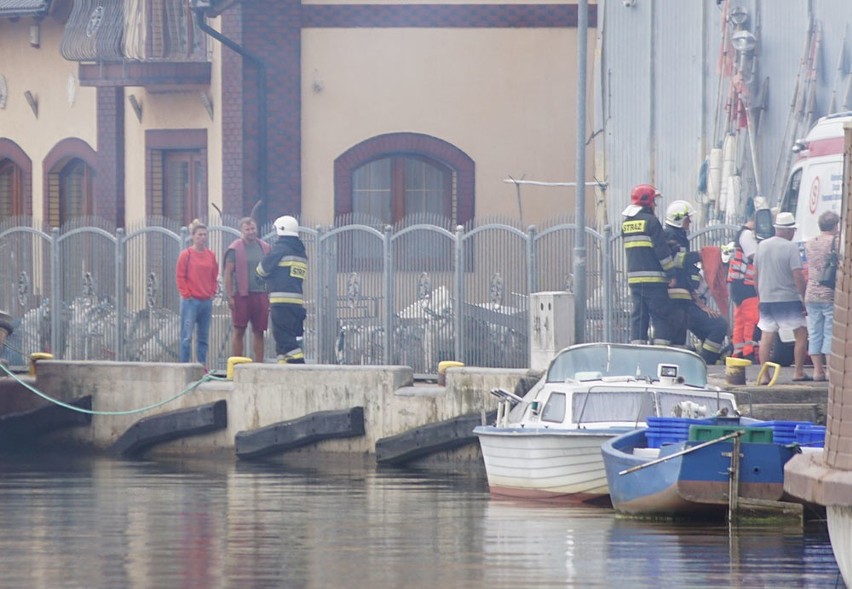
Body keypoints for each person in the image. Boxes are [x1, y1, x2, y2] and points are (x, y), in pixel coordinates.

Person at [663, 200, 728, 364]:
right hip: (677, 301)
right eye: (687, 219)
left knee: (714, 327)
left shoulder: (679, 236)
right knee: (718, 326)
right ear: (678, 219)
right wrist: (699, 255)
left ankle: (704, 359)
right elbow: (675, 260)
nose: (690, 222)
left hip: (686, 299)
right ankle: (705, 362)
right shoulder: (670, 236)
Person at [753, 211, 810, 382]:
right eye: (792, 230)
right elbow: (798, 275)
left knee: (767, 335)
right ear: (786, 230)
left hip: (767, 299)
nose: (793, 233)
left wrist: (760, 295)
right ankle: (798, 372)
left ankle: (764, 375)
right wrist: (804, 297)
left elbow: (755, 274)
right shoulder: (790, 247)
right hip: (788, 298)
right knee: (801, 334)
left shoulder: (761, 245)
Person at [621, 184, 676, 345]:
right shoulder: (652, 222)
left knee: (639, 316)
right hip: (654, 280)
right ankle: (661, 350)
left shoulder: (626, 224)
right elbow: (661, 252)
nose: (655, 205)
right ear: (648, 201)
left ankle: (638, 350)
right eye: (654, 201)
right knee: (660, 316)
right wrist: (671, 274)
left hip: (634, 281)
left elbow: (640, 249)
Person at [257, 215, 307, 364]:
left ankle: (300, 368)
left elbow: (261, 271)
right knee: (281, 343)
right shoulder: (301, 252)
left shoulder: (280, 249)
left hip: (281, 303)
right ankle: (282, 369)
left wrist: (259, 278)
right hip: (296, 304)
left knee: (286, 341)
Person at [223, 217, 271, 361]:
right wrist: (230, 296)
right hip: (241, 295)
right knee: (239, 331)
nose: (251, 232)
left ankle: (259, 365)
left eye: (253, 229)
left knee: (259, 332)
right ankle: (238, 365)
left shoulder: (265, 247)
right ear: (241, 231)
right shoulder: (234, 249)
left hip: (261, 294)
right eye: (247, 229)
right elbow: (228, 274)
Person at [176, 219, 219, 366]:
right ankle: (184, 366)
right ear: (193, 236)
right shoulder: (186, 255)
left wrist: (212, 292)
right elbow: (180, 276)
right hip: (191, 301)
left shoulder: (211, 255)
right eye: (199, 234)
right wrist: (186, 294)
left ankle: (202, 366)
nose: (202, 237)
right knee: (186, 337)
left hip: (206, 301)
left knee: (203, 338)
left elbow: (214, 275)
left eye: (204, 235)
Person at [804, 210, 840, 382]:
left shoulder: (810, 243)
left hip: (811, 293)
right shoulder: (837, 242)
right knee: (829, 332)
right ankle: (830, 371)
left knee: (815, 332)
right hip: (829, 293)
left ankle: (817, 371)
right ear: (835, 225)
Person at [726, 217, 760, 362]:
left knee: (740, 319)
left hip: (736, 283)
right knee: (751, 319)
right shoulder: (747, 235)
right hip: (746, 284)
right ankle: (748, 351)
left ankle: (737, 351)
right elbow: (755, 255)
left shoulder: (740, 235)